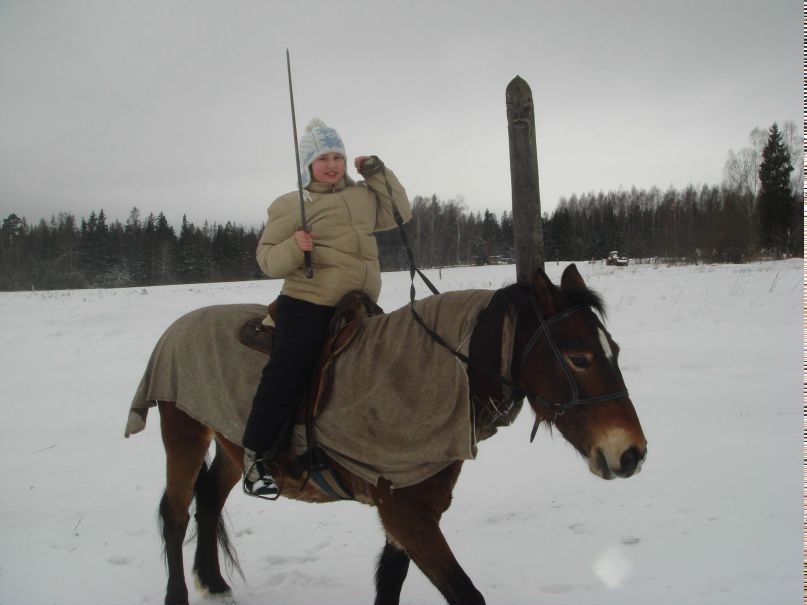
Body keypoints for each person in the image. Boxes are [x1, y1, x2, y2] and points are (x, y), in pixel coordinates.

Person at [242, 118, 412, 498]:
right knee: (289, 369)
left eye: (338, 156)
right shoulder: (293, 204)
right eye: (323, 159)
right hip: (309, 301)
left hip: (358, 304)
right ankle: (256, 458)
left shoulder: (365, 196)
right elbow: (268, 260)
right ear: (308, 166)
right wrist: (294, 247)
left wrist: (378, 172)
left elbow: (400, 212)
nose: (332, 165)